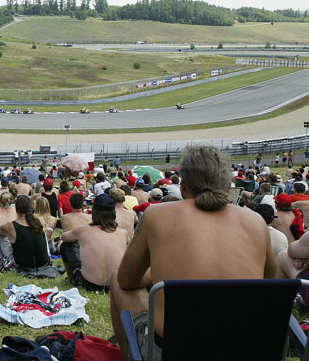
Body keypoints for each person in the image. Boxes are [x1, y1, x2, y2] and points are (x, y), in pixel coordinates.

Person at [109, 145, 275, 361]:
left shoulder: (157, 214)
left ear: (184, 187)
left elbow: (126, 280)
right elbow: (268, 282)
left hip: (172, 351)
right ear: (226, 186)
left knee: (115, 281)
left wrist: (160, 274)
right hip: (244, 348)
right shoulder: (255, 221)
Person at [60, 194, 128, 292]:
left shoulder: (82, 230)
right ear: (113, 213)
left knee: (66, 245)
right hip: (115, 284)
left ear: (94, 212)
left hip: (89, 284)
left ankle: (71, 279)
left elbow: (64, 237)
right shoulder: (123, 233)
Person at [0, 195, 50, 271]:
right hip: (44, 263)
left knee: (1, 237)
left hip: (23, 265)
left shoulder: (10, 226)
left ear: (16, 210)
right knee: (42, 232)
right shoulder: (38, 221)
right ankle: (48, 254)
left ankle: (1, 260)